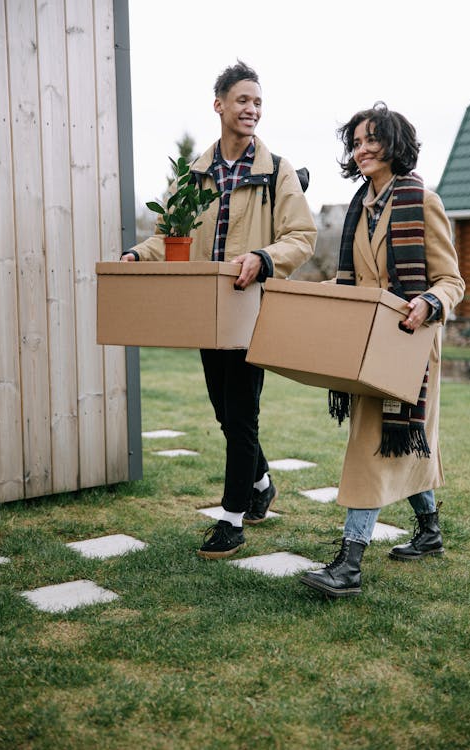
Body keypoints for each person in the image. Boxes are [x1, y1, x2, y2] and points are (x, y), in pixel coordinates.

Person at [122, 61, 316, 559]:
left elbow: (303, 236)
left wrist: (263, 258)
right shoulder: (194, 175)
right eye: (242, 100)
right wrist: (138, 255)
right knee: (223, 410)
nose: (251, 109)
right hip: (205, 311)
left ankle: (231, 520)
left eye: (257, 102)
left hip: (252, 310)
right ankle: (262, 484)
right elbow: (171, 236)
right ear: (220, 105)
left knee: (243, 411)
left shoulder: (277, 171)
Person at [301, 102, 465, 598]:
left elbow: (450, 280)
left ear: (394, 144)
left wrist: (430, 302)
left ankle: (349, 565)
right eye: (356, 142)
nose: (362, 148)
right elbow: (358, 282)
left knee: (370, 448)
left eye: (372, 139)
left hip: (411, 349)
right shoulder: (358, 206)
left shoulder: (422, 201)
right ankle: (430, 532)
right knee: (398, 446)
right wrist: (312, 293)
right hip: (367, 345)